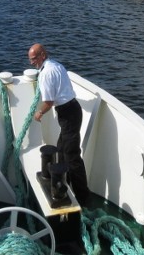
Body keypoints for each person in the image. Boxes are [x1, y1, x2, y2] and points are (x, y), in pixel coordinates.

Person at [28, 43, 90, 205]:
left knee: (72, 156)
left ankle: (83, 198)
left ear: (42, 55)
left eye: (34, 58)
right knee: (61, 149)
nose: (32, 62)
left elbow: (48, 102)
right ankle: (64, 183)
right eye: (30, 59)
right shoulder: (56, 65)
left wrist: (39, 113)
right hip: (73, 110)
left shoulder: (45, 75)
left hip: (67, 114)